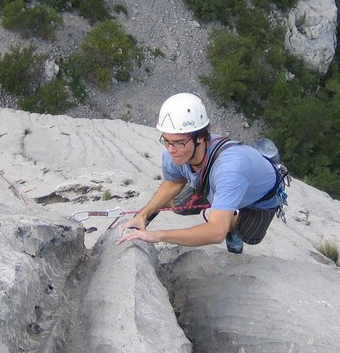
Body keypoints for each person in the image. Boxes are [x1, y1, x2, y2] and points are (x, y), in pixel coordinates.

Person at [116, 93, 282, 253]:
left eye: (179, 142)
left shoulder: (230, 170)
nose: (171, 150)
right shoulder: (175, 154)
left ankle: (230, 224)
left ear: (201, 137)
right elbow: (173, 183)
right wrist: (144, 215)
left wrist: (157, 236)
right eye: (166, 141)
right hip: (214, 181)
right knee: (180, 205)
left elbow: (216, 232)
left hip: (259, 199)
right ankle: (223, 209)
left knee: (250, 236)